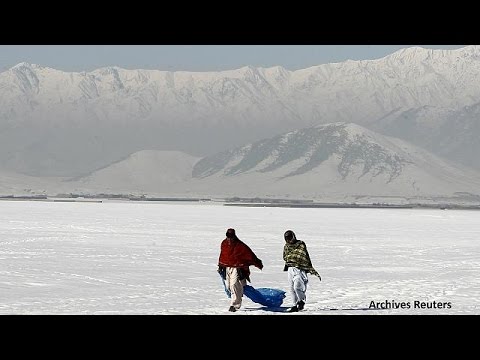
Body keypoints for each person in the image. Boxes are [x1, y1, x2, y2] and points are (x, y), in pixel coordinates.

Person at [217, 228, 263, 312]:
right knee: (229, 286)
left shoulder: (240, 245)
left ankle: (234, 305)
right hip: (227, 268)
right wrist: (220, 265)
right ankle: (238, 294)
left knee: (234, 285)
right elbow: (222, 255)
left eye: (231, 236)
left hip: (237, 268)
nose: (229, 238)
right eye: (228, 236)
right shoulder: (224, 243)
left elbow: (249, 255)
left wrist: (257, 263)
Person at [283, 229, 321, 312]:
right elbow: (285, 257)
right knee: (291, 288)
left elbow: (302, 256)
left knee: (297, 287)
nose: (289, 240)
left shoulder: (300, 244)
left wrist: (293, 258)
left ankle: (301, 300)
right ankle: (294, 305)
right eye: (287, 238)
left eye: (290, 238)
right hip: (290, 268)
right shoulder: (286, 246)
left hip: (299, 269)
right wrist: (290, 259)